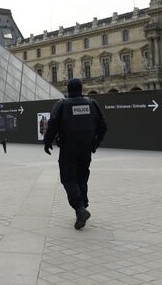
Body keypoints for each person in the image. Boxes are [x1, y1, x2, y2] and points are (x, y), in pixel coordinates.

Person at [43, 78, 107, 230]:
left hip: (68, 148)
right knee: (82, 177)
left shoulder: (62, 104)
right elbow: (103, 125)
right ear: (81, 88)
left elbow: (52, 124)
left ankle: (79, 208)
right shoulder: (92, 103)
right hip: (86, 148)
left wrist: (47, 142)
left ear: (67, 89)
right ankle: (82, 206)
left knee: (68, 178)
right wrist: (96, 142)